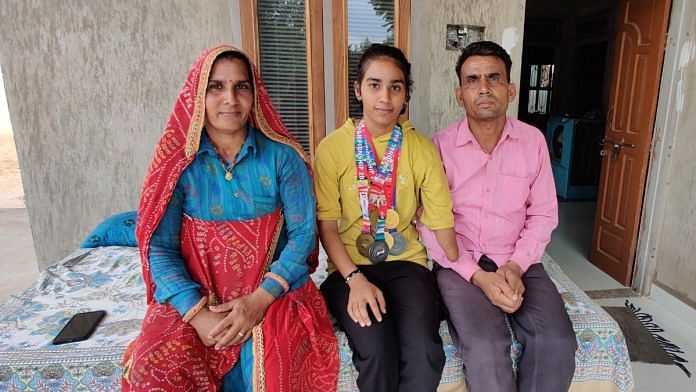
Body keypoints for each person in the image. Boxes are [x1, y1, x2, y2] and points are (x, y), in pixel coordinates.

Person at [121, 45, 338, 392]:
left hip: (271, 293)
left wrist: (258, 301)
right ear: (198, 95)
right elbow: (159, 249)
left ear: (254, 94)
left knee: (274, 370)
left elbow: (303, 238)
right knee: (154, 368)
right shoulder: (179, 165)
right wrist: (197, 314)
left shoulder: (283, 158)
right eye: (216, 87)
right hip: (197, 294)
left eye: (241, 86)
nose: (230, 99)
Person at [418, 40, 577, 392]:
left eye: (494, 77)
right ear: (460, 95)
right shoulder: (438, 147)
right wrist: (478, 277)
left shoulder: (532, 142)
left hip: (519, 260)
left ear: (511, 89)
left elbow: (544, 214)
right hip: (461, 264)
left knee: (557, 341)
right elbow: (429, 222)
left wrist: (517, 266)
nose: (484, 88)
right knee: (487, 347)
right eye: (473, 80)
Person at [314, 43, 459, 392]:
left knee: (425, 351)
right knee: (377, 350)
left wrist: (470, 269)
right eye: (375, 84)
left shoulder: (422, 149)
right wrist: (354, 280)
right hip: (349, 268)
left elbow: (442, 227)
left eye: (396, 87)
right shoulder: (332, 148)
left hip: (407, 265)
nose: (385, 97)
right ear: (358, 89)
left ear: (406, 95)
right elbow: (327, 227)